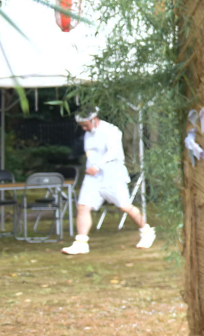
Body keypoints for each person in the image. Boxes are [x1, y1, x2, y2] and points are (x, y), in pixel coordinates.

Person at [63, 108, 153, 254]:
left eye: (85, 125)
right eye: (81, 126)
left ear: (93, 119)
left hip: (113, 176)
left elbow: (114, 152)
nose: (84, 129)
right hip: (93, 178)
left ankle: (146, 231)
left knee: (125, 206)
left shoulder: (111, 130)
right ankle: (81, 243)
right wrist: (92, 167)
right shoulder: (88, 134)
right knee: (83, 206)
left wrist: (98, 166)